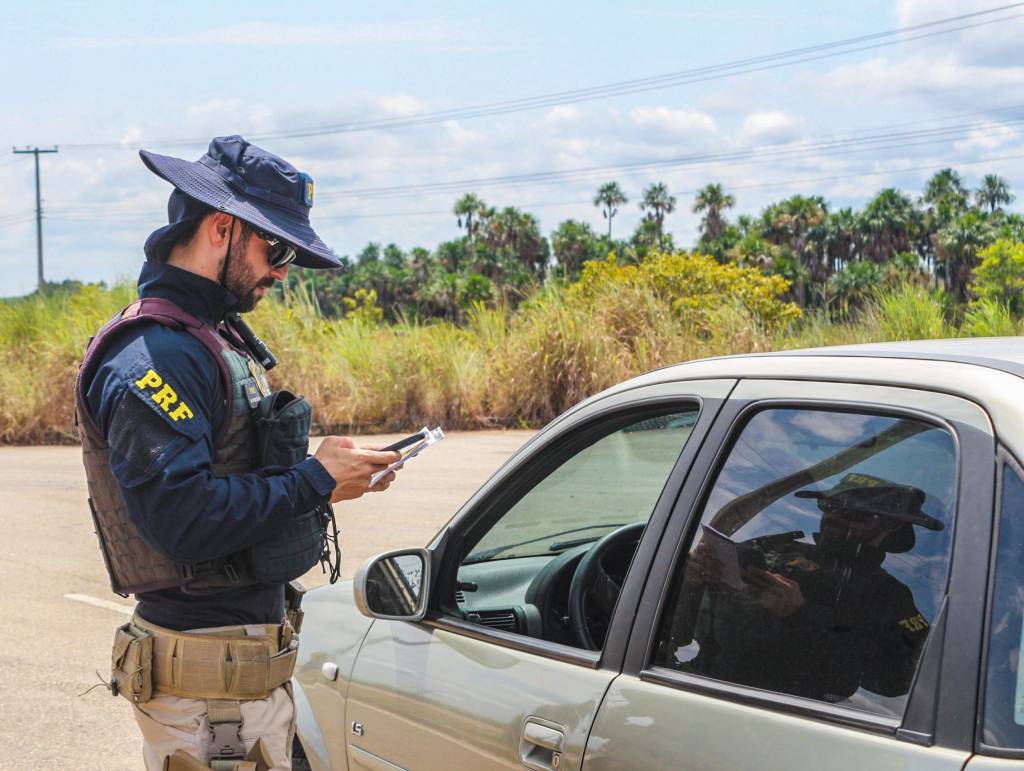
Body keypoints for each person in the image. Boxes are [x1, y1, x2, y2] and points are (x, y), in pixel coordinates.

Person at [75, 135, 401, 770]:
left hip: (239, 678)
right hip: (210, 701)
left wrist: (326, 474)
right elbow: (184, 519)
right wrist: (312, 480)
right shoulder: (156, 355)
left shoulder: (206, 339)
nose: (282, 271)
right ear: (221, 227)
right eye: (275, 248)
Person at [677, 473, 943, 704]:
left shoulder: (889, 596)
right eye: (829, 505)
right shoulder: (769, 550)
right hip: (695, 685)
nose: (835, 517)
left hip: (797, 714)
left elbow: (892, 683)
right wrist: (691, 579)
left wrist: (800, 615)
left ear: (891, 525)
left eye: (854, 514)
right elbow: (675, 633)